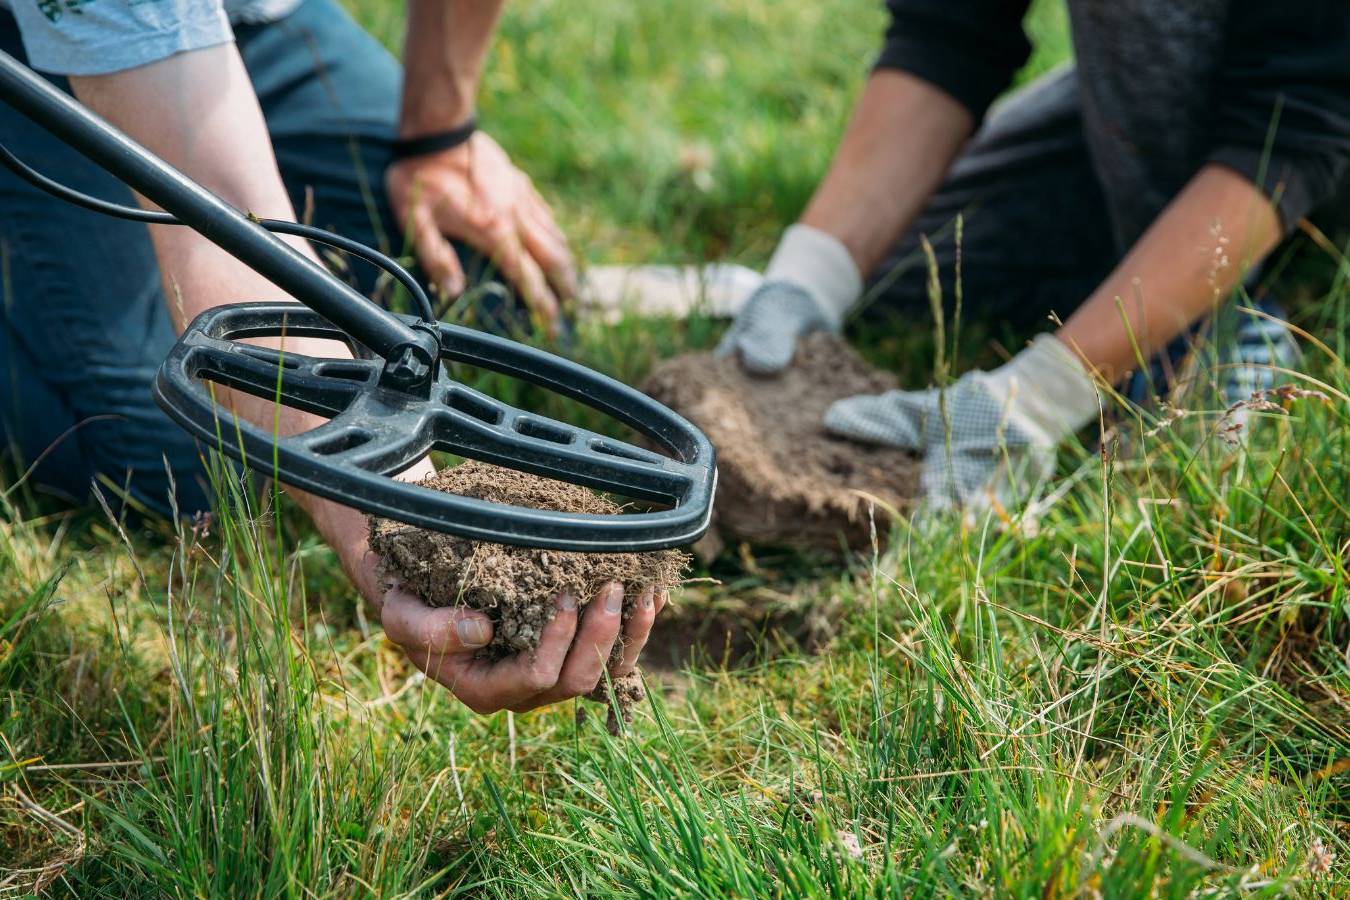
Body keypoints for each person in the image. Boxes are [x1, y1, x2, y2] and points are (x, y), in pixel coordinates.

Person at [0, 0, 661, 715]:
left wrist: (440, 134)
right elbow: (224, 222)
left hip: (251, 17)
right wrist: (394, 522)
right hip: (58, 40)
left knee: (483, 287)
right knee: (168, 454)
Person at [718, 0, 1350, 512]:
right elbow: (951, 30)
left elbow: (1300, 115)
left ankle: (1215, 325)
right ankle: (1152, 275)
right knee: (901, 277)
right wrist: (811, 276)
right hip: (1160, 89)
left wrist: (1041, 396)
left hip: (1311, 109)